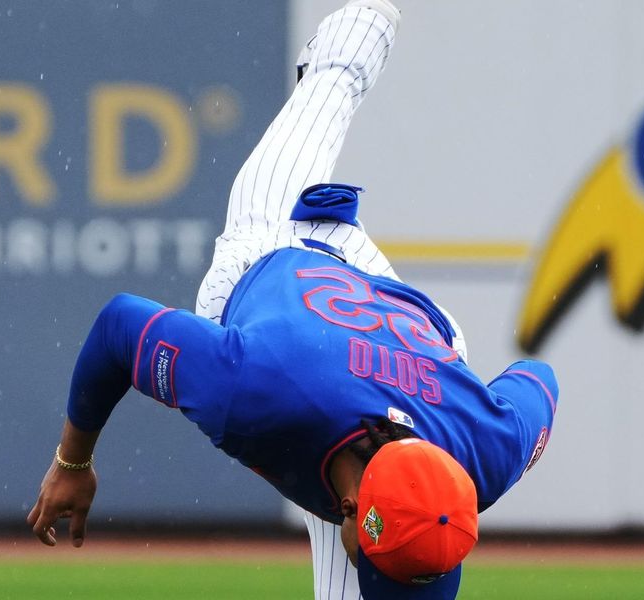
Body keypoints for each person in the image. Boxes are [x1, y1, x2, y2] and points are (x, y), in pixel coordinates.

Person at [27, 2, 559, 599]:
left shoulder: (487, 451)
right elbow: (119, 327)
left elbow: (539, 380)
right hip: (274, 236)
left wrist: (458, 397)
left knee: (449, 347)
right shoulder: (253, 389)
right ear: (354, 506)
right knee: (339, 74)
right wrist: (73, 462)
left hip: (392, 313)